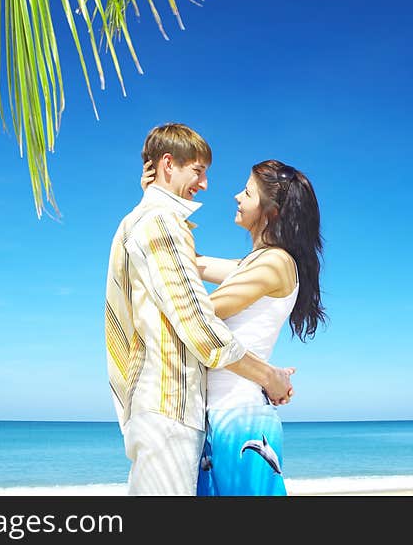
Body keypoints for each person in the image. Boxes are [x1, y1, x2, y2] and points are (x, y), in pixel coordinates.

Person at [105, 122, 296, 496]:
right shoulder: (159, 223)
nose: (208, 185)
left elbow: (190, 268)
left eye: (246, 192)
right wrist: (270, 377)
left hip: (191, 411)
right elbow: (198, 322)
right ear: (167, 164)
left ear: (270, 210)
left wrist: (157, 197)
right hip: (172, 406)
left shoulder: (144, 223)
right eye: (198, 171)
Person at [141, 157, 326, 496]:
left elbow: (198, 316)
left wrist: (269, 376)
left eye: (247, 193)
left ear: (271, 211)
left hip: (240, 420)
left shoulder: (275, 262)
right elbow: (191, 264)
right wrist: (157, 199)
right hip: (218, 418)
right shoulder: (255, 263)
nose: (237, 197)